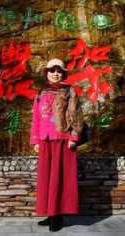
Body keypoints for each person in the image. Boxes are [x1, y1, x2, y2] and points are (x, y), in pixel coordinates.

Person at [30, 58, 84, 232]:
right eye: (52, 71)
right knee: (46, 178)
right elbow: (36, 118)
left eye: (59, 71)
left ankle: (58, 216)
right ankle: (50, 213)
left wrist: (73, 138)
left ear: (63, 74)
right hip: (45, 140)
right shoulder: (40, 93)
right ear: (46, 73)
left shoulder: (70, 92)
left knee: (61, 178)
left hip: (63, 140)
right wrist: (35, 140)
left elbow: (76, 116)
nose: (55, 74)